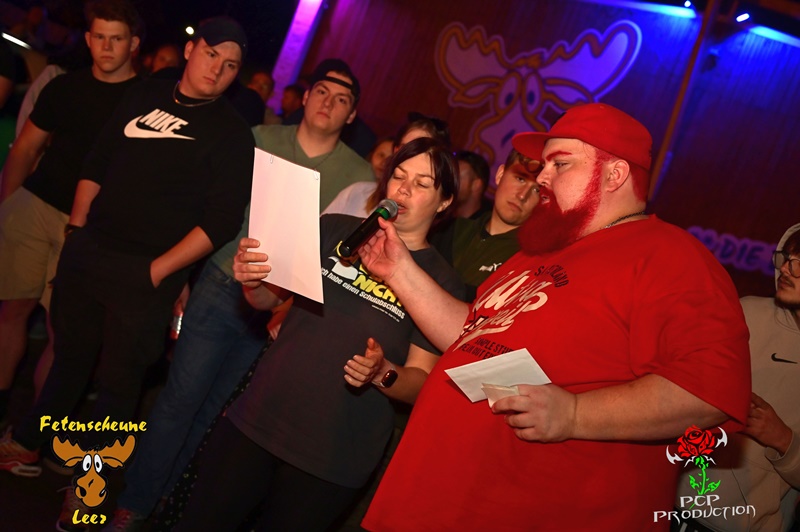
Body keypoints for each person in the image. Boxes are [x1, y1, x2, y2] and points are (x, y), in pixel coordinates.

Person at [355, 103, 751, 530]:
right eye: (542, 165)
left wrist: (576, 413)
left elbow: (709, 393)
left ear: (615, 174)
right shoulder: (537, 251)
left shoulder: (671, 256)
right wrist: (398, 271)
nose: (541, 177)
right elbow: (473, 334)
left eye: (560, 164)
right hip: (431, 504)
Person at [0, 14, 253, 526]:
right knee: (69, 359)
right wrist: (76, 231)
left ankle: (86, 489)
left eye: (230, 66)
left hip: (145, 278)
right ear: (191, 50)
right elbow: (97, 161)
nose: (217, 69)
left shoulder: (232, 134)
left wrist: (156, 272)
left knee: (118, 387)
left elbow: (220, 222)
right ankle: (29, 442)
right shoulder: (146, 93)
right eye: (211, 54)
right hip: (89, 251)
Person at [103, 57, 373, 529]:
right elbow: (212, 211)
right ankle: (136, 502)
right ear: (306, 96)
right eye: (322, 91)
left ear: (351, 115)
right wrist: (186, 279)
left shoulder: (359, 177)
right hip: (222, 284)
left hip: (282, 312)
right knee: (180, 398)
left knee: (218, 414)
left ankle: (171, 507)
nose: (328, 103)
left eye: (342, 99)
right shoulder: (258, 139)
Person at [175, 137, 465, 531]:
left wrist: (382, 371)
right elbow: (268, 299)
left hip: (332, 455)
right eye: (399, 176)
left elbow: (421, 381)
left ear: (445, 201)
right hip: (259, 421)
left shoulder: (442, 283)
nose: (404, 189)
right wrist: (253, 279)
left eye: (422, 183)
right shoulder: (334, 230)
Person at [0, 0, 141, 422]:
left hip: (84, 228)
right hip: (34, 207)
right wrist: (7, 207)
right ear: (88, 39)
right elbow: (25, 149)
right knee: (11, 313)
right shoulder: (64, 86)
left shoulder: (143, 102)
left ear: (133, 44)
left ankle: (33, 433)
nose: (106, 47)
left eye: (116, 39)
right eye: (99, 37)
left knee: (63, 334)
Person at [674, 224, 800, 532]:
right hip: (667, 505)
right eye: (786, 257)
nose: (785, 268)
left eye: (799, 263)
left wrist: (782, 439)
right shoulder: (748, 312)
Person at [431, 148, 540, 300]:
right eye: (520, 179)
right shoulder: (450, 229)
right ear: (500, 174)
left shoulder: (529, 261)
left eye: (537, 190)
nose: (522, 195)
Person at [325, 112, 452, 218]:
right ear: (395, 150)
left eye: (420, 151)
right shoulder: (357, 192)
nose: (410, 156)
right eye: (404, 148)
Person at [453, 150, 490, 219]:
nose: (452, 181)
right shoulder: (443, 219)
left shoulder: (482, 224)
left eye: (458, 177)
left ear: (476, 185)